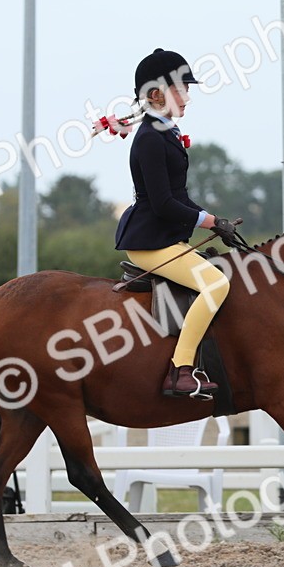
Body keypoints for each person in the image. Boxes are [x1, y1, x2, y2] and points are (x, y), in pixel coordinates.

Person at [114, 48, 243, 399]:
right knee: (216, 285)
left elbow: (180, 196)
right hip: (150, 242)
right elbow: (163, 203)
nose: (187, 97)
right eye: (181, 89)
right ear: (157, 94)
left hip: (166, 237)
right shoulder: (149, 138)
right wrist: (209, 220)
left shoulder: (165, 133)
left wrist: (214, 223)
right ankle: (180, 369)